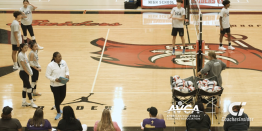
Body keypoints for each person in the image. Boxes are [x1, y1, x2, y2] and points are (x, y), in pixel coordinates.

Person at [46, 52, 69, 120]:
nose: (60, 58)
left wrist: (67, 75)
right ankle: (58, 112)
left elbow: (67, 70)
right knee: (57, 98)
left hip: (62, 83)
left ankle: (56, 105)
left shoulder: (64, 62)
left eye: (61, 56)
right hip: (54, 85)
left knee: (63, 96)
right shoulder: (50, 65)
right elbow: (47, 75)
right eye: (59, 57)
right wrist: (54, 79)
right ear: (55, 58)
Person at [17, 43, 38, 108]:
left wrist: (29, 72)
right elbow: (23, 66)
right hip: (23, 73)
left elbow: (27, 64)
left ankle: (23, 102)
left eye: (27, 47)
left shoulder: (24, 54)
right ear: (21, 48)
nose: (26, 49)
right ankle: (31, 102)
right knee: (29, 88)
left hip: (26, 73)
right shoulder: (20, 55)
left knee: (25, 88)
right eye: (25, 48)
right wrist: (28, 73)